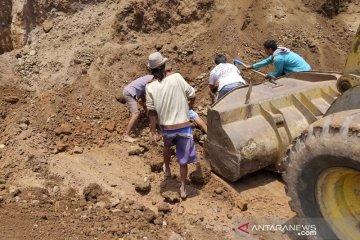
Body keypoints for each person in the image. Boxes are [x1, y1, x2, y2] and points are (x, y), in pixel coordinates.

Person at [145, 52, 197, 199]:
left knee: (167, 147)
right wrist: (188, 109)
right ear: (164, 66)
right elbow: (192, 95)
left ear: (151, 70)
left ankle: (167, 168)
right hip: (184, 127)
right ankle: (182, 188)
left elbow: (152, 112)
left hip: (166, 129)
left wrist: (152, 131)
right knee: (183, 160)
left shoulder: (150, 87)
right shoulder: (177, 77)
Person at [117, 75, 154, 143]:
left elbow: (143, 100)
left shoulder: (148, 78)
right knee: (135, 114)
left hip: (129, 91)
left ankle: (147, 115)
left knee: (143, 103)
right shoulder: (153, 80)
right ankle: (126, 136)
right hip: (129, 93)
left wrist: (148, 113)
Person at [247, 40, 311, 78]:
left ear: (270, 49)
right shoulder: (279, 50)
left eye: (265, 50)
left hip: (302, 73)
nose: (265, 51)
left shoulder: (278, 58)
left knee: (281, 77)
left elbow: (278, 74)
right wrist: (252, 66)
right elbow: (267, 61)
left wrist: (269, 75)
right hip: (306, 68)